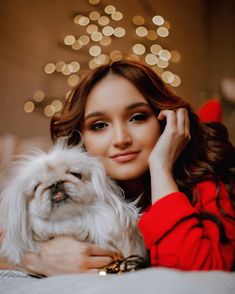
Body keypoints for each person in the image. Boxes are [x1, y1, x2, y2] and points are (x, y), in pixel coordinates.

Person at [0, 59, 235, 275]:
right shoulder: (79, 193)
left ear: (164, 121)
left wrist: (161, 167)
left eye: (137, 117)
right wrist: (33, 260)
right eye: (99, 125)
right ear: (81, 139)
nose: (121, 138)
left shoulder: (206, 180)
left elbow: (199, 274)